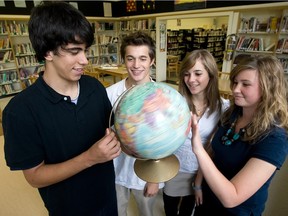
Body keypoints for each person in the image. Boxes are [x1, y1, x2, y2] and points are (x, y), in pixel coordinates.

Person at [3, 2, 121, 216]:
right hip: (68, 209)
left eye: (85, 50)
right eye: (74, 51)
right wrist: (90, 158)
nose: (84, 60)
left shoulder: (94, 87)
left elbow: (112, 131)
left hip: (107, 197)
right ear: (48, 52)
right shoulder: (20, 111)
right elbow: (34, 176)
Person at [191, 55, 288, 215]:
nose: (235, 89)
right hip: (208, 201)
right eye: (235, 82)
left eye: (246, 84)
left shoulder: (275, 138)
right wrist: (198, 184)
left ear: (268, 87)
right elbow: (214, 152)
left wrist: (198, 149)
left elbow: (232, 198)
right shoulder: (233, 114)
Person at [163, 49, 230, 216]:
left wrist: (199, 184)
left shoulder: (224, 108)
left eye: (198, 73)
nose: (191, 80)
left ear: (211, 74)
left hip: (201, 172)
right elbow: (163, 140)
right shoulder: (174, 103)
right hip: (174, 169)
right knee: (170, 209)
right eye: (186, 74)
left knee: (188, 210)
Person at [106, 31, 164, 216]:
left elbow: (167, 141)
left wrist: (155, 180)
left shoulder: (163, 96)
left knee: (148, 212)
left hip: (147, 175)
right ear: (124, 60)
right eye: (130, 59)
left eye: (142, 58)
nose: (136, 65)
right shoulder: (109, 94)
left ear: (152, 60)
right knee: (117, 211)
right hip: (116, 172)